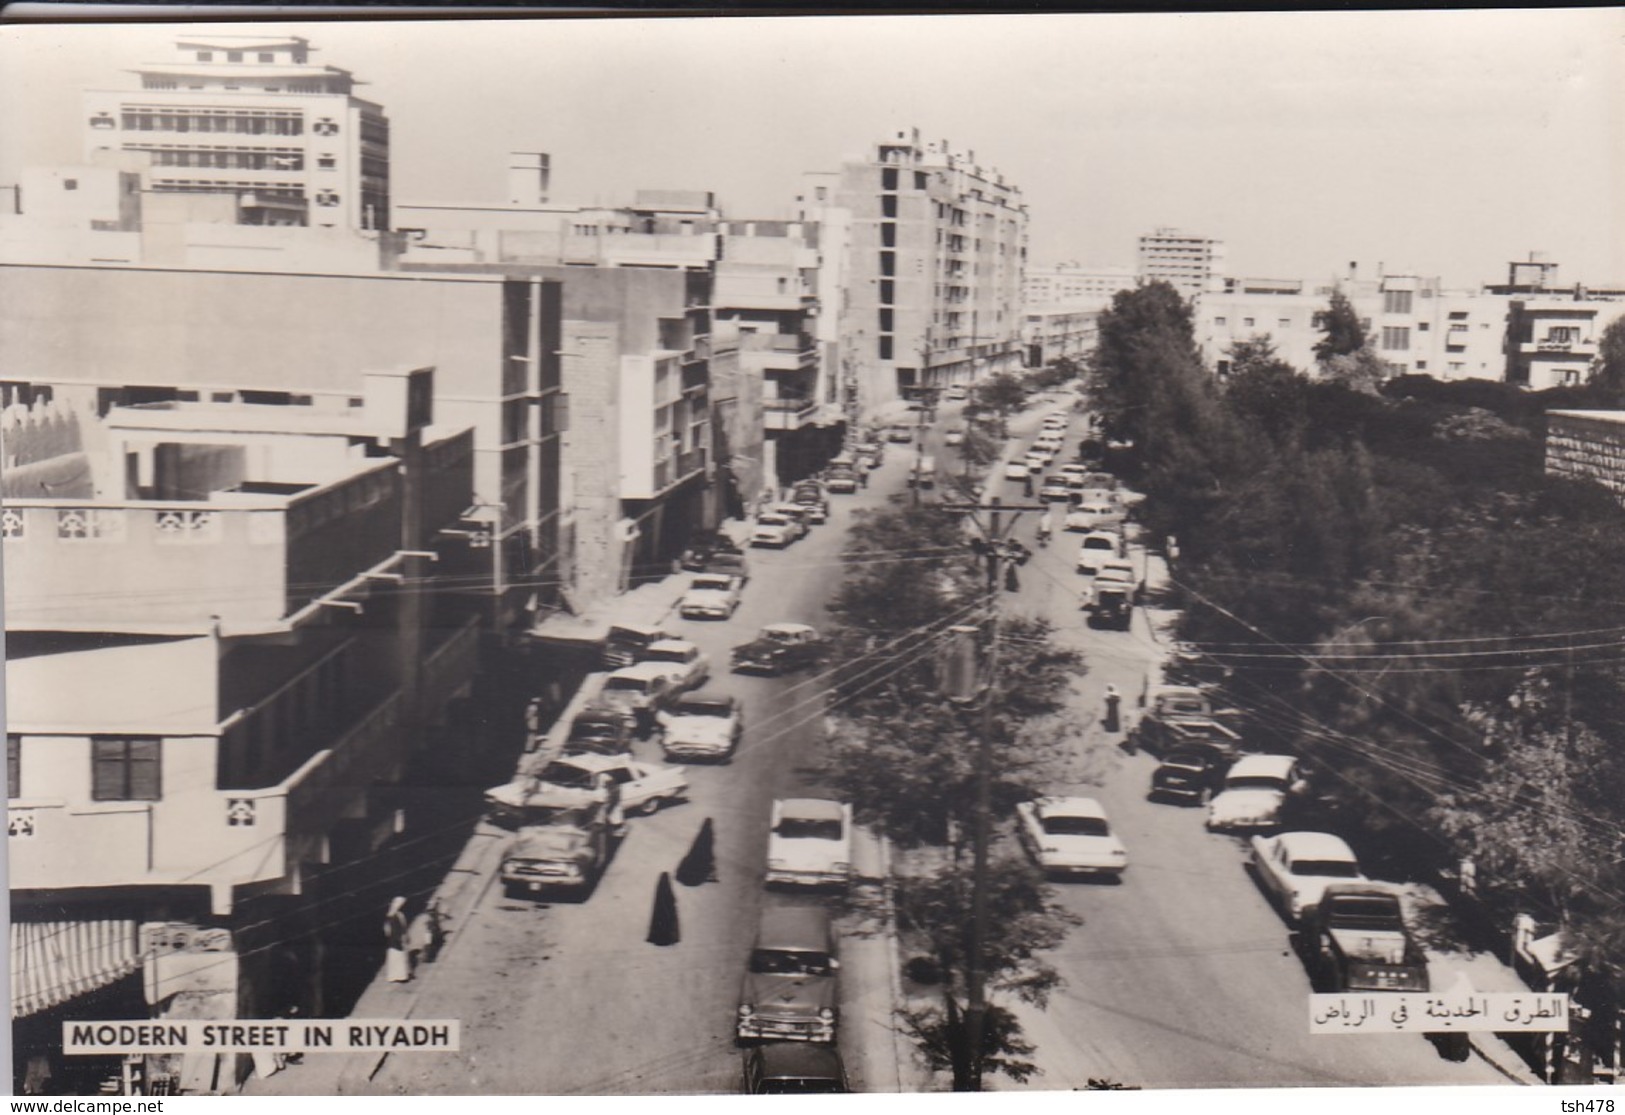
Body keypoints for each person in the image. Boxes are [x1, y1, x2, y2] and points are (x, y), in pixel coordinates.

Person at [384, 897, 411, 983]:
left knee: (395, 957)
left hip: (394, 940)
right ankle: (401, 976)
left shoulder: (393, 915)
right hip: (396, 939)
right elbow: (396, 929)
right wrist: (401, 938)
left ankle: (395, 976)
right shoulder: (395, 916)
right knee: (399, 956)